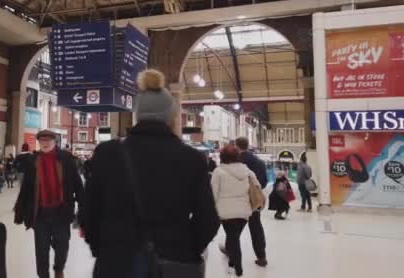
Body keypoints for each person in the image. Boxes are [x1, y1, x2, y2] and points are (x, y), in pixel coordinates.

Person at [83, 69, 219, 278]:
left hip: (116, 262)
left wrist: (102, 250)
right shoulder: (191, 158)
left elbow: (89, 211)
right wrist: (187, 250)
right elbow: (208, 218)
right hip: (174, 261)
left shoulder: (108, 154)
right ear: (171, 116)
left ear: (137, 113)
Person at [14, 129, 84, 278]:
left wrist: (83, 204)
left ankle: (58, 269)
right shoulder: (33, 160)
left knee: (62, 245)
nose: (45, 143)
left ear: (54, 142)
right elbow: (26, 187)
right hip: (40, 213)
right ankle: (43, 275)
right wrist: (20, 211)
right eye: (42, 141)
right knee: (41, 249)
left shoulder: (65, 158)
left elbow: (77, 183)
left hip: (61, 211)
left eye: (48, 140)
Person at [211, 145, 261, 277]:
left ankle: (238, 268)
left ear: (222, 157)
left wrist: (212, 210)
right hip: (244, 211)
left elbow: (214, 193)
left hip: (226, 212)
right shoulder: (246, 170)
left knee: (233, 239)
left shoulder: (218, 171)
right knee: (234, 237)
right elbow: (257, 186)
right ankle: (232, 263)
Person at [233, 137, 268, 267]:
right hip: (254, 201)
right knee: (256, 227)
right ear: (248, 145)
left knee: (235, 227)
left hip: (239, 199)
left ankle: (230, 249)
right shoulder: (259, 162)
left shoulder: (235, 162)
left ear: (237, 146)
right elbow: (263, 182)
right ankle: (261, 256)